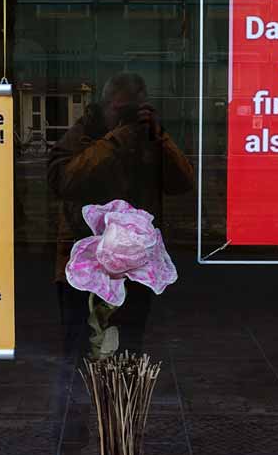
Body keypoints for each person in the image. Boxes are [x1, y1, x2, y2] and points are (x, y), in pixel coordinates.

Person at [48, 73, 195, 359]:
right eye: (121, 109)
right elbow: (63, 180)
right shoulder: (86, 130)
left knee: (127, 349)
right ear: (104, 105)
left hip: (135, 264)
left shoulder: (149, 136)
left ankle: (120, 402)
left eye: (134, 110)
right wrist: (115, 141)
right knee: (80, 347)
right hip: (82, 263)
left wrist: (159, 135)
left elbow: (183, 183)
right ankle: (78, 402)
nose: (127, 117)